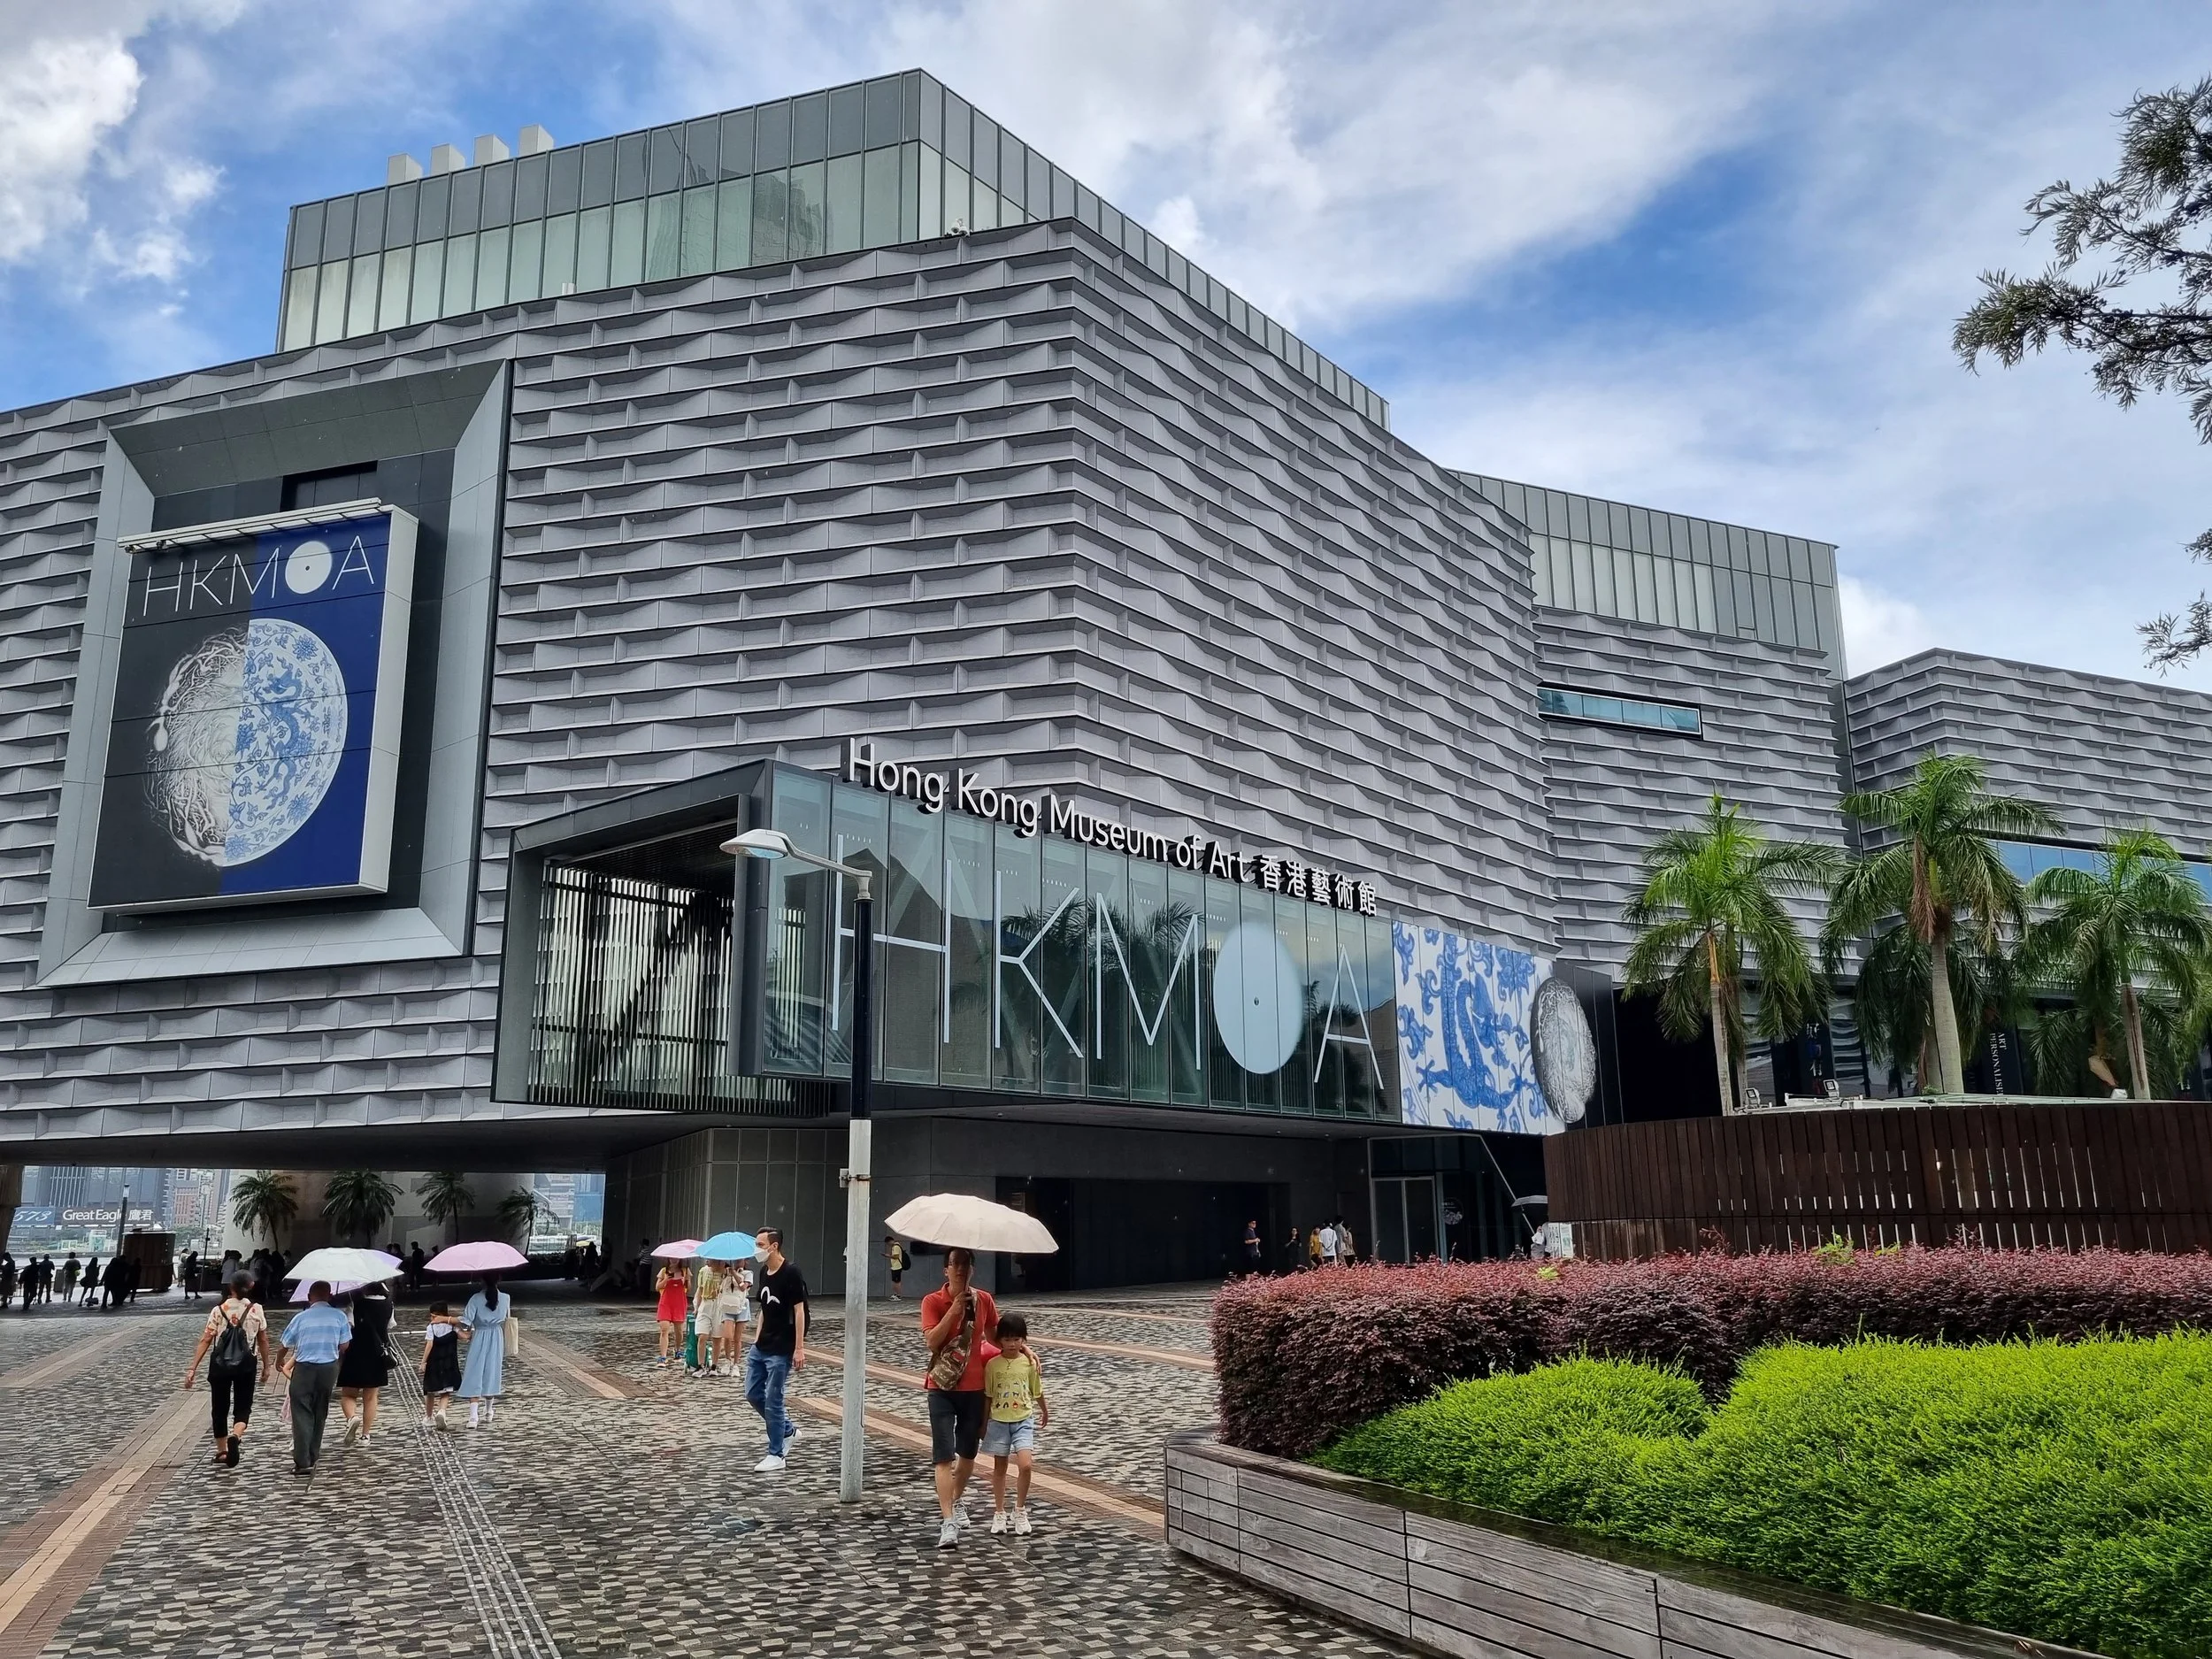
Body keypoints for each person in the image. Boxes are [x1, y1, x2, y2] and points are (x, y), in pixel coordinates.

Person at [920, 1247, 997, 1548]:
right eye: (955, 1264)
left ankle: (955, 1499)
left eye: (966, 1264)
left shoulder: (984, 1300)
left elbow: (995, 1337)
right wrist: (953, 1310)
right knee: (944, 1456)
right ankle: (948, 1521)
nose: (960, 1269)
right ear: (946, 1270)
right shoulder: (932, 1301)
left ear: (972, 1269)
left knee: (968, 1454)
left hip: (974, 1389)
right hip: (941, 1388)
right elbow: (932, 1341)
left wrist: (1024, 1349)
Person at [181, 1271, 273, 1466]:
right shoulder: (256, 1310)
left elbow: (206, 1339)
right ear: (251, 1287)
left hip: (220, 1366)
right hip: (246, 1365)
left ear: (231, 1287)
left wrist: (192, 1368)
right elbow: (263, 1340)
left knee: (219, 1407)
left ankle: (222, 1451)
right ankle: (236, 1435)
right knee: (243, 1405)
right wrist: (267, 1366)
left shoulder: (218, 1310)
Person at [981, 1310, 1048, 1536]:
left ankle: (1020, 1509)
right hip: (999, 1421)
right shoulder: (993, 1365)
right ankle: (999, 1511)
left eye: (1017, 1339)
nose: (1012, 1344)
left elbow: (1036, 1390)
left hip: (1023, 1419)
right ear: (999, 1340)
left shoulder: (1029, 1363)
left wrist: (1045, 1410)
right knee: (999, 1468)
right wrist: (984, 1423)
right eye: (1007, 1339)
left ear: (1024, 1340)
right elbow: (988, 1396)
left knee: (1026, 1464)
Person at [746, 1228, 806, 1473]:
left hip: (781, 1348)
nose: (757, 1249)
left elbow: (800, 1311)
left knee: (774, 1400)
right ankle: (788, 1430)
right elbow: (764, 1307)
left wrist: (799, 1348)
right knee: (752, 1394)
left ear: (774, 1246)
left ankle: (776, 1454)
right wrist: (756, 1338)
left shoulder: (791, 1272)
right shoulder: (764, 1272)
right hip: (762, 1346)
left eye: (760, 1244)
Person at [280, 1281, 351, 1476]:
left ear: (309, 1297)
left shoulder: (300, 1318)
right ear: (330, 1296)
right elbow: (345, 1346)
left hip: (304, 1368)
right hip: (328, 1368)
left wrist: (278, 1361)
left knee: (301, 1411)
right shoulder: (340, 1317)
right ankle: (314, 1453)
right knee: (320, 1410)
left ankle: (303, 1461)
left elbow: (285, 1344)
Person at [337, 1279, 396, 1447]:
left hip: (355, 1352)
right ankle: (365, 1435)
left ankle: (352, 1418)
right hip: (378, 1354)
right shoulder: (389, 1304)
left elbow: (348, 1326)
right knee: (371, 1397)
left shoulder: (355, 1303)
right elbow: (389, 1326)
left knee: (348, 1394)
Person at [457, 1273, 513, 1428]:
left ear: (482, 1280)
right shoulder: (506, 1298)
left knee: (474, 1371)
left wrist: (448, 1321)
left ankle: (473, 1416)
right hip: (497, 1336)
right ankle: (489, 1410)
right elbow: (505, 1317)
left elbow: (465, 1321)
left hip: (480, 1335)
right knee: (492, 1371)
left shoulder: (475, 1298)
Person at [420, 1302, 463, 1430]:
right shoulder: (452, 1327)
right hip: (449, 1364)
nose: (432, 1318)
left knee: (430, 1391)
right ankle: (442, 1412)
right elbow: (465, 1336)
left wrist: (423, 1362)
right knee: (445, 1392)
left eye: (433, 1316)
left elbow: (429, 1345)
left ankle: (429, 1417)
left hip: (433, 1364)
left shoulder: (431, 1328)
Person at [715, 1256, 751, 1378]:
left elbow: (743, 1287)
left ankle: (736, 1364)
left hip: (741, 1306)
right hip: (727, 1305)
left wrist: (734, 1274)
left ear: (745, 1261)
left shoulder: (748, 1273)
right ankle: (727, 1360)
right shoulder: (726, 1272)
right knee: (727, 1336)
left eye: (740, 1260)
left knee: (737, 1338)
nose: (737, 1262)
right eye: (736, 1260)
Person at [653, 1256, 689, 1366]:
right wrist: (666, 1279)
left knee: (679, 1330)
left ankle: (677, 1350)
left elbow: (688, 1288)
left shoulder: (685, 1271)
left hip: (679, 1303)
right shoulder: (664, 1271)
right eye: (672, 1258)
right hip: (666, 1303)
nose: (674, 1260)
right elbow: (657, 1287)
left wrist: (687, 1279)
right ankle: (663, 1356)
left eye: (676, 1258)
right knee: (664, 1329)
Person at [885, 1234, 908, 1300]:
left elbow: (896, 1256)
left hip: (897, 1266)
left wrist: (888, 1256)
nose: (888, 1245)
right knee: (895, 1281)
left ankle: (898, 1295)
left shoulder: (896, 1247)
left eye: (888, 1243)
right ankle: (896, 1294)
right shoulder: (895, 1246)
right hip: (895, 1266)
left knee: (897, 1281)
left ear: (890, 1241)